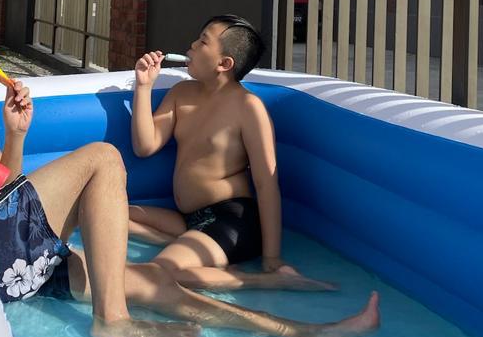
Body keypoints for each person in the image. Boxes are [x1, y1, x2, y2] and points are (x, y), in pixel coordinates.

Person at [0, 0, 379, 337]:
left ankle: (306, 335)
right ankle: (111, 320)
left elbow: (5, 186)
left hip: (11, 249)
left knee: (156, 283)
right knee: (102, 157)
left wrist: (16, 134)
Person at [129, 15, 332, 293]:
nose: (192, 45)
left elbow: (266, 183)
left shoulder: (248, 108)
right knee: (110, 214)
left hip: (232, 220)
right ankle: (185, 247)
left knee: (160, 272)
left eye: (203, 42)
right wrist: (143, 86)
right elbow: (145, 146)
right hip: (189, 219)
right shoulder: (181, 93)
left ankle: (267, 280)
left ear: (224, 64)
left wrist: (271, 257)